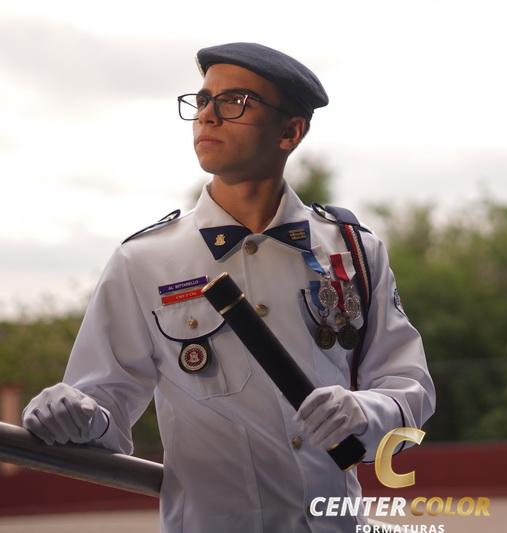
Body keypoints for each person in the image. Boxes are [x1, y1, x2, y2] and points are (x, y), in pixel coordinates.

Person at [22, 42, 435, 533]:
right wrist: (73, 414)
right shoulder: (144, 261)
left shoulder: (353, 252)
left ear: (290, 132)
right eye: (202, 100)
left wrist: (365, 412)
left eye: (235, 101)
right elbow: (104, 404)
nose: (208, 116)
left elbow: (408, 389)